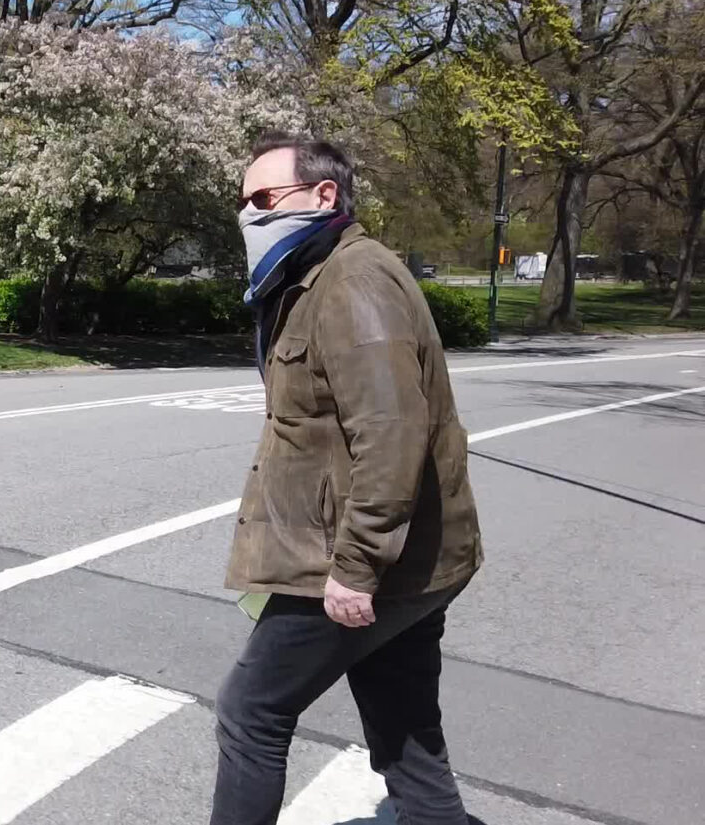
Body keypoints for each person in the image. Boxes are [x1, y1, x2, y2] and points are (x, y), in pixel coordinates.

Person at [210, 132, 484, 825]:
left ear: (324, 195)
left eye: (264, 199)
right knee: (404, 728)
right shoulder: (313, 278)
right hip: (411, 560)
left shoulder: (353, 280)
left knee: (251, 712)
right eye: (244, 202)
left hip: (358, 560)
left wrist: (357, 568)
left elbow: (392, 434)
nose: (250, 214)